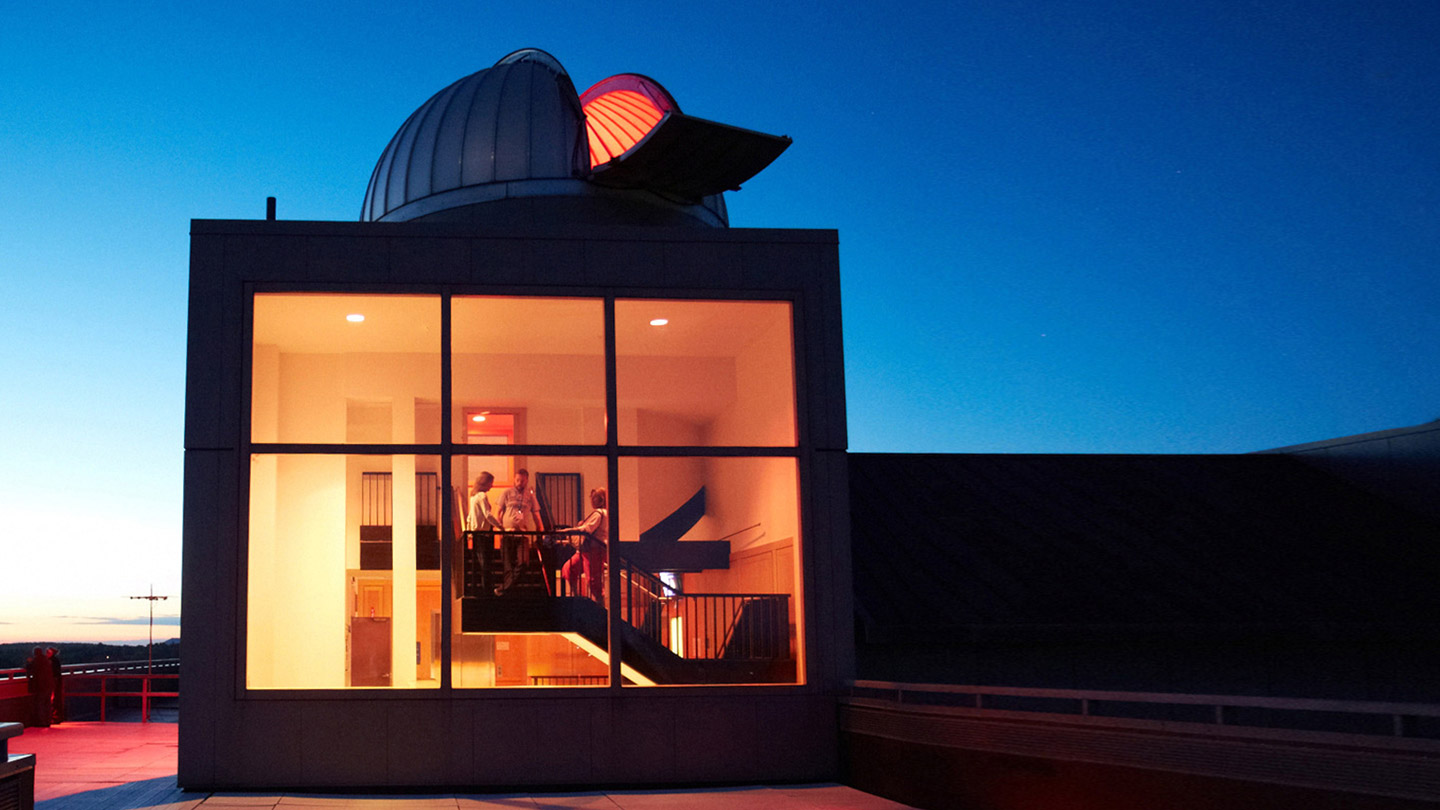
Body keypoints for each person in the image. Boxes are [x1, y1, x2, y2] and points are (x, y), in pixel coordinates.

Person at [494, 468, 545, 595]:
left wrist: (541, 530)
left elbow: (536, 515)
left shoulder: (530, 496)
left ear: (526, 480)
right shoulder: (506, 493)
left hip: (522, 534)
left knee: (523, 562)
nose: (519, 483)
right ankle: (508, 592)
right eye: (517, 480)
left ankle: (503, 589)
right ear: (514, 480)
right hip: (508, 534)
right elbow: (498, 512)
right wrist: (499, 528)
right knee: (508, 566)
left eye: (522, 481)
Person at [560, 488, 608, 602]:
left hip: (593, 550)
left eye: (594, 497)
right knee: (568, 569)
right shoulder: (603, 513)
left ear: (599, 500)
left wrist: (569, 530)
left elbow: (587, 529)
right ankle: (578, 597)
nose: (592, 500)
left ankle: (599, 605)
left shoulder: (599, 513)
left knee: (593, 579)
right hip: (587, 550)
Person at [467, 472, 502, 592]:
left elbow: (470, 517)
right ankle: (487, 588)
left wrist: (469, 530)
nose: (491, 486)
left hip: (477, 533)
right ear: (485, 482)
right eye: (490, 483)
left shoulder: (473, 497)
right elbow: (487, 515)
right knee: (486, 563)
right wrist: (499, 526)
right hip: (484, 533)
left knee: (481, 562)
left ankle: (482, 588)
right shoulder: (482, 496)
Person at [25, 646, 53, 728]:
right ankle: (48, 721)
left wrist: (28, 662)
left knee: (40, 703)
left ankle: (41, 722)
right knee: (47, 703)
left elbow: (30, 667)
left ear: (35, 653)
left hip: (41, 686)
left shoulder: (36, 660)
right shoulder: (46, 660)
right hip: (49, 684)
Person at [48, 647, 64, 724]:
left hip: (53, 682)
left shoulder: (52, 661)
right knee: (55, 699)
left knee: (53, 699)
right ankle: (55, 717)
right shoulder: (55, 660)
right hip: (55, 681)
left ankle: (54, 717)